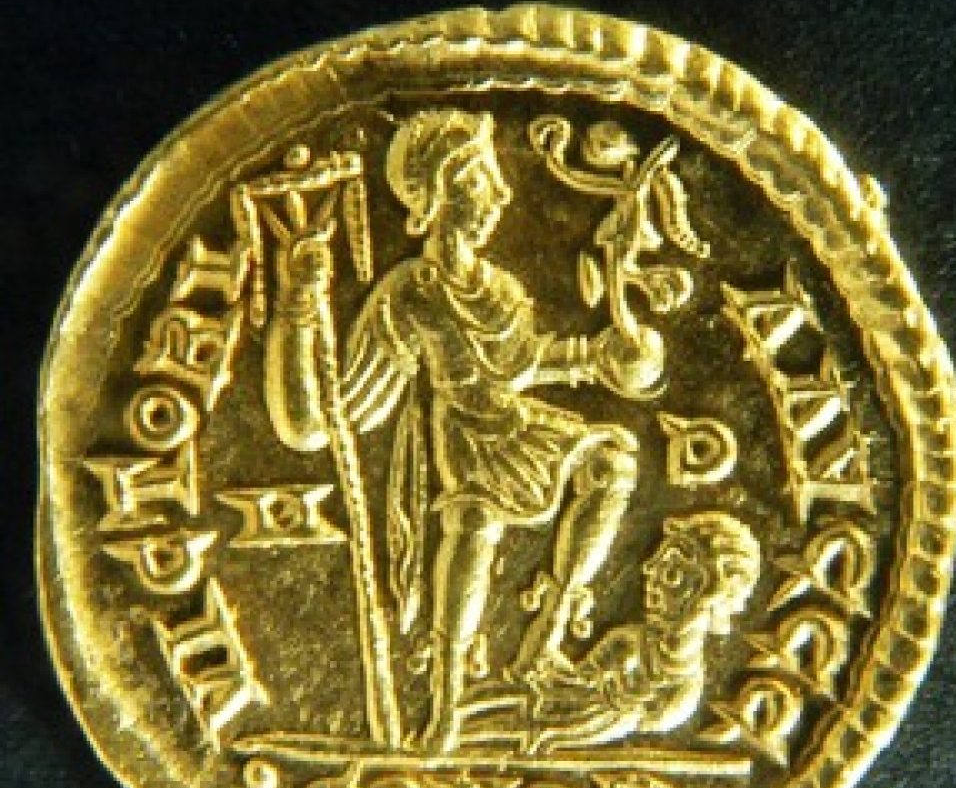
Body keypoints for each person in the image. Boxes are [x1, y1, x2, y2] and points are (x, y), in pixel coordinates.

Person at [265, 108, 660, 751]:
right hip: (466, 439)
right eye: (480, 179)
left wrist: (598, 358)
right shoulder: (410, 294)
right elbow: (317, 424)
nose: (501, 195)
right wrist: (300, 307)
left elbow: (524, 362)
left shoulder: (499, 287)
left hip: (518, 423)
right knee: (474, 520)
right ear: (439, 193)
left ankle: (548, 633)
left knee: (612, 463)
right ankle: (446, 703)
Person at [524, 511, 761, 753]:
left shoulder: (682, 694)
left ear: (706, 592)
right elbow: (573, 684)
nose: (649, 570)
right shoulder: (624, 641)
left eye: (671, 573)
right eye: (655, 563)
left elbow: (624, 721)